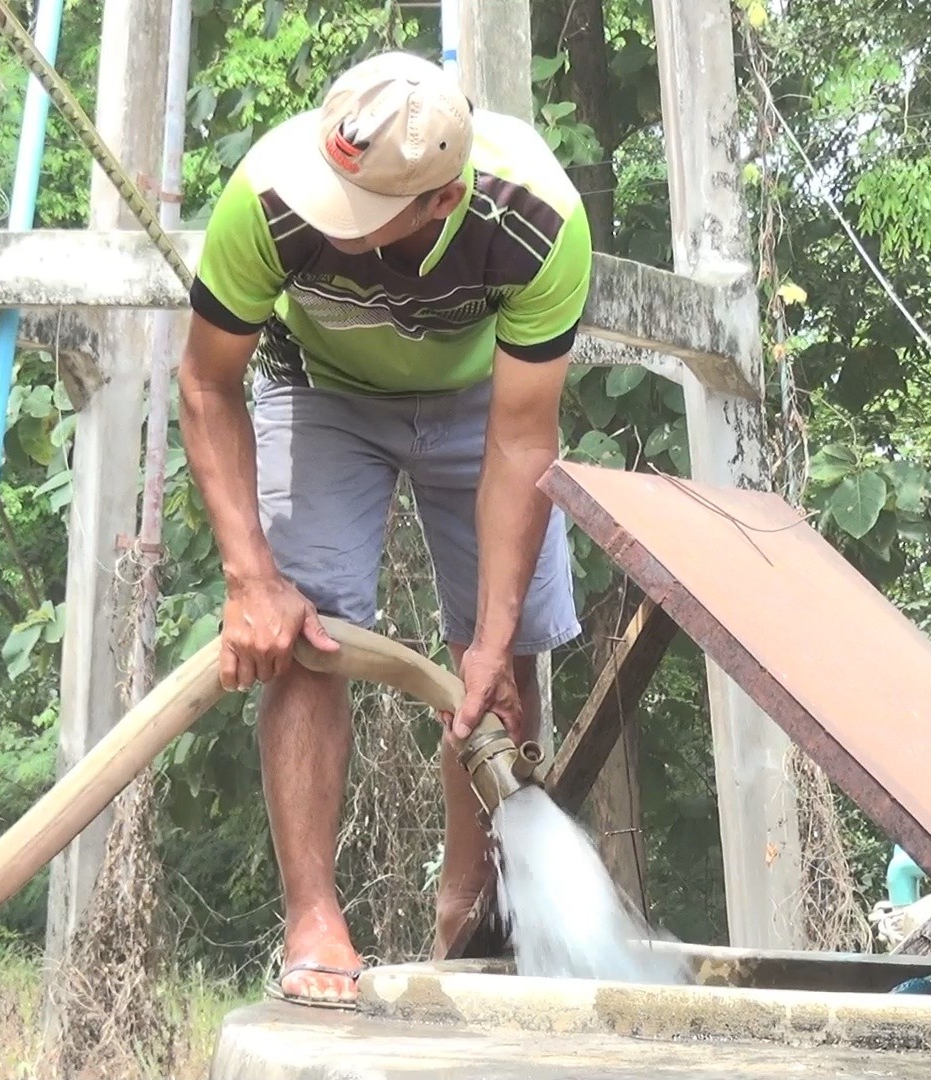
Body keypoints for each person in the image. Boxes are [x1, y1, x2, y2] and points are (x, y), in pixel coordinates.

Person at [177, 51, 591, 1007]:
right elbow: (207, 383)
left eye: (364, 217)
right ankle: (313, 918)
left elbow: (524, 442)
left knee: (506, 655)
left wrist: (487, 638)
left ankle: (467, 915)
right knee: (305, 630)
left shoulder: (536, 218)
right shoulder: (274, 194)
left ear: (442, 204)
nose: (334, 220)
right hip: (321, 390)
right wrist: (249, 578)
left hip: (481, 404)